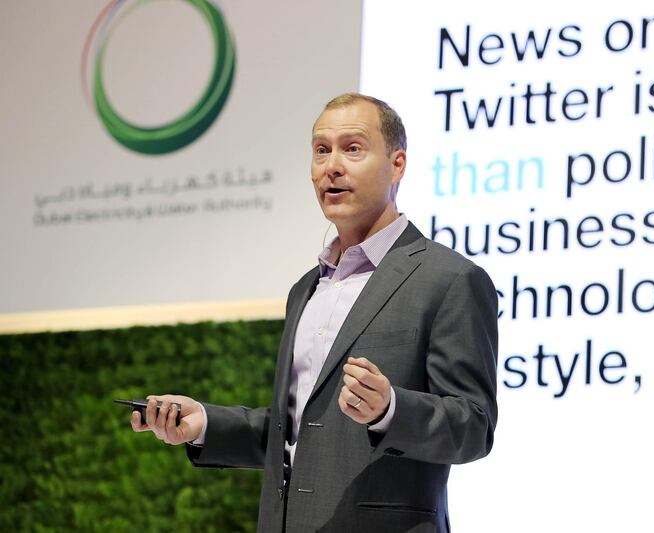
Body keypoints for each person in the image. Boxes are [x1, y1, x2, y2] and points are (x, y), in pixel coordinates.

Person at [131, 93, 498, 532]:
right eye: (321, 150)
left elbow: (474, 427)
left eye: (353, 148)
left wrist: (391, 409)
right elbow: (302, 432)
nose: (332, 166)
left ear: (397, 164)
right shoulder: (305, 289)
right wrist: (206, 424)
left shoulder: (449, 278)